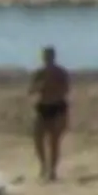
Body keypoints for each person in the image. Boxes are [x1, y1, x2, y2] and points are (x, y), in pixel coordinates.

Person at [28, 48, 70, 183]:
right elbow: (31, 90)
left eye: (49, 56)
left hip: (57, 107)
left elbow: (66, 89)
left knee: (54, 141)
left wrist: (54, 89)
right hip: (42, 107)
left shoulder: (60, 72)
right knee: (38, 138)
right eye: (45, 56)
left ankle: (52, 171)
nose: (47, 58)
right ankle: (43, 165)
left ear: (53, 57)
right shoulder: (39, 73)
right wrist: (39, 87)